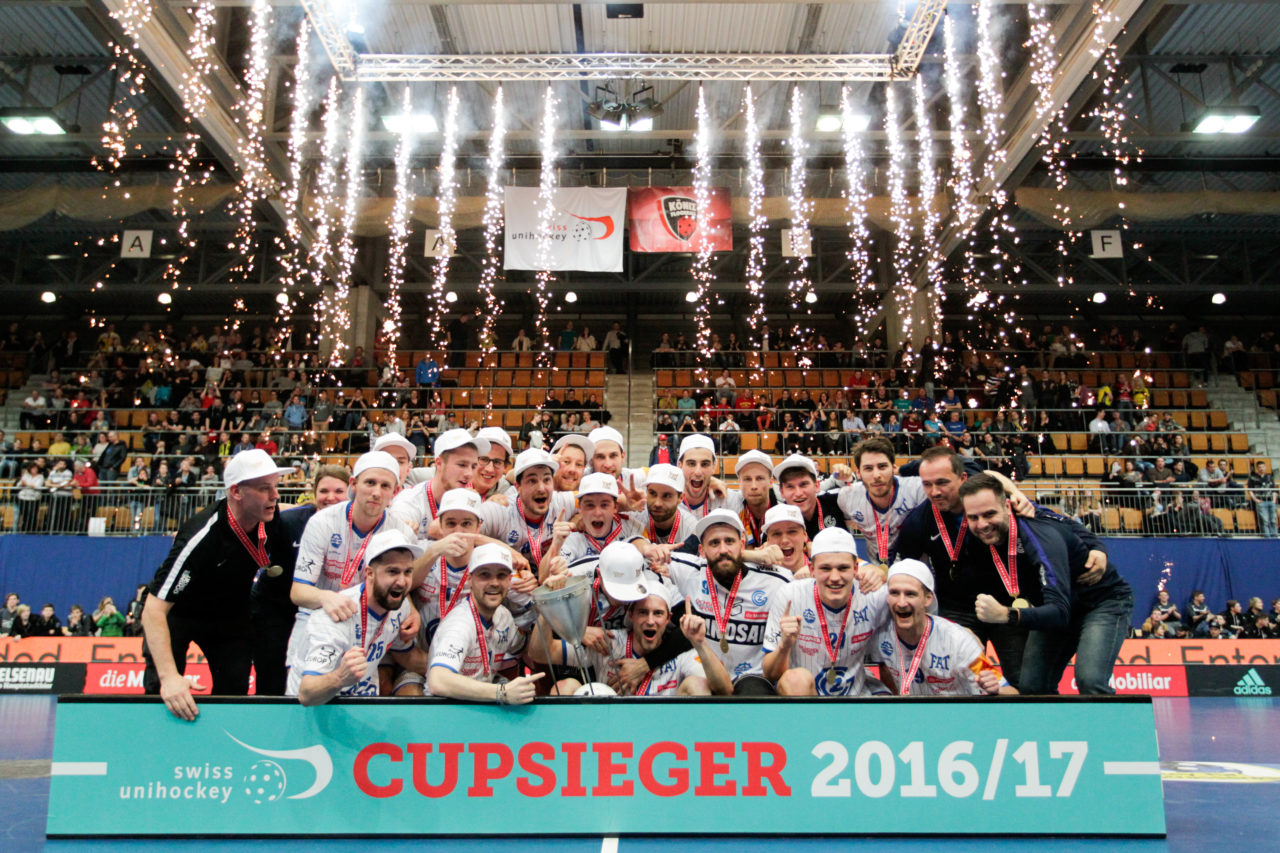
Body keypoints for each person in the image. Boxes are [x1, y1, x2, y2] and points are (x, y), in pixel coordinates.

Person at [142, 449, 295, 720]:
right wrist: (169, 677)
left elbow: (295, 510)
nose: (275, 496)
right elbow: (153, 610)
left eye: (275, 486)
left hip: (230, 618)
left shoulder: (269, 518)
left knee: (233, 694)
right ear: (236, 492)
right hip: (180, 615)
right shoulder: (201, 537)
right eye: (264, 488)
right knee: (163, 691)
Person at [960, 473, 1133, 695]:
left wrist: (1006, 614)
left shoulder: (1038, 537)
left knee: (1090, 681)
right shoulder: (985, 535)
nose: (982, 524)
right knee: (1032, 688)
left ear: (1007, 505)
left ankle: (1109, 730)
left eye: (989, 514)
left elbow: (1060, 612)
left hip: (1100, 603)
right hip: (1054, 607)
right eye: (973, 517)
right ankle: (1054, 730)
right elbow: (1065, 522)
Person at [662, 509, 792, 694]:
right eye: (714, 543)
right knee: (695, 686)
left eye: (729, 541)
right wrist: (645, 545)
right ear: (702, 550)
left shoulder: (778, 581)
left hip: (754, 678)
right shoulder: (691, 571)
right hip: (708, 672)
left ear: (742, 545)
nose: (723, 549)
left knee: (751, 691)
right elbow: (638, 554)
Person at [289, 530, 421, 704]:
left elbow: (406, 656)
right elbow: (306, 694)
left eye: (408, 572)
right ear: (369, 573)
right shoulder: (334, 618)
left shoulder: (400, 606)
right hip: (314, 709)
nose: (402, 581)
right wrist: (340, 678)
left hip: (359, 706)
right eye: (392, 572)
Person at [762, 528, 888, 696]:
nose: (835, 577)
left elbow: (912, 589)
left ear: (856, 569)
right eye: (825, 569)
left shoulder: (874, 595)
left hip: (858, 696)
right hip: (807, 696)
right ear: (812, 569)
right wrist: (784, 646)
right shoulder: (790, 596)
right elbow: (770, 675)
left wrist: (882, 573)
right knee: (794, 680)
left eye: (843, 568)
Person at [870, 561, 1013, 696]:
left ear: (928, 598)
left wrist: (996, 690)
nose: (901, 603)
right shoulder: (881, 634)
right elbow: (885, 672)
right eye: (894, 593)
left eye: (910, 594)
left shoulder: (959, 641)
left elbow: (1012, 693)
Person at [425, 543, 544, 704]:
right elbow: (438, 681)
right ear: (469, 580)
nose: (494, 582)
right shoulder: (460, 625)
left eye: (501, 575)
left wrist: (546, 606)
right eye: (484, 575)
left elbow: (528, 649)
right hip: (445, 709)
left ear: (510, 581)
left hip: (479, 705)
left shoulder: (504, 616)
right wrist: (502, 692)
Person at [390, 428, 489, 541]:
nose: (469, 474)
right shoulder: (408, 503)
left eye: (473, 466)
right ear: (439, 463)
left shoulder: (472, 500)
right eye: (462, 465)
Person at [548, 473, 642, 567]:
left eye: (604, 505)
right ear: (579, 507)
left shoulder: (633, 527)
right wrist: (555, 546)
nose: (597, 513)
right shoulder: (571, 539)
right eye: (590, 505)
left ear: (615, 507)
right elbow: (549, 574)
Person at [1246, 460, 1277, 537]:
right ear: (1257, 468)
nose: (1261, 468)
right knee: (1265, 521)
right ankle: (1267, 537)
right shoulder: (1253, 478)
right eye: (1259, 467)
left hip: (1271, 501)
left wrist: (1274, 500)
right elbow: (1250, 490)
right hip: (1261, 501)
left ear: (1265, 467)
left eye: (1263, 467)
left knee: (1273, 520)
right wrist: (1256, 500)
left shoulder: (1270, 477)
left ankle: (1274, 537)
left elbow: (1273, 490)